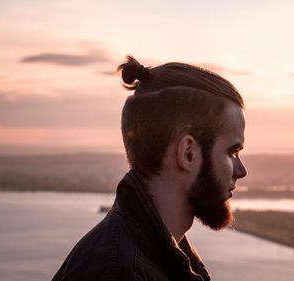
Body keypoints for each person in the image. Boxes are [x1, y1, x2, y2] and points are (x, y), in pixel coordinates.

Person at [52, 56, 247, 281]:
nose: (241, 170)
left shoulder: (162, 257)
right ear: (188, 153)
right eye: (232, 152)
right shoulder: (115, 272)